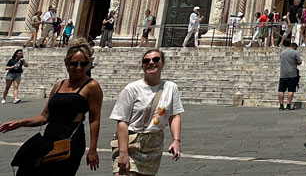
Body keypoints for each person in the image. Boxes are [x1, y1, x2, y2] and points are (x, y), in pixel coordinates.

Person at [0, 40, 103, 175]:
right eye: (74, 63)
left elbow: (94, 119)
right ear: (66, 63)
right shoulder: (58, 85)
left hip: (70, 141)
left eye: (84, 63)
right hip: (49, 137)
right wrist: (20, 123)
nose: (79, 67)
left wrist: (92, 149)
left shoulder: (92, 86)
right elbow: (45, 116)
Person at [109, 48, 182, 175]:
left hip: (154, 144)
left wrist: (176, 140)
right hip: (131, 141)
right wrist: (123, 153)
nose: (151, 62)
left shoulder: (171, 87)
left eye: (156, 59)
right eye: (146, 60)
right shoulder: (131, 89)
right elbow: (122, 122)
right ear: (142, 65)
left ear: (163, 63)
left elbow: (174, 116)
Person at [278, 40, 301, 110]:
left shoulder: (282, 53)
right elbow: (299, 61)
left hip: (283, 74)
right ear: (294, 47)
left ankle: (281, 105)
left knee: (281, 90)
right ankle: (288, 105)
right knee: (291, 90)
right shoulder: (295, 52)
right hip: (292, 74)